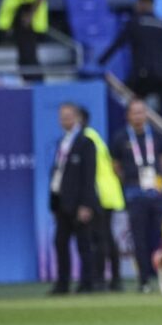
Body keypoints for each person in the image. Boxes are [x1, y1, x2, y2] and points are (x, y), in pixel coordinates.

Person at [111, 98, 162, 293]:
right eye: (134, 112)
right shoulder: (121, 137)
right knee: (139, 238)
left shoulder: (155, 135)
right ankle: (144, 280)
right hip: (134, 191)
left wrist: (158, 179)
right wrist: (130, 181)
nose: (138, 116)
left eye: (141, 111)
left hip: (156, 190)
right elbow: (116, 165)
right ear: (128, 115)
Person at [98, 0, 162, 125]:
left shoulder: (134, 23)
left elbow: (118, 43)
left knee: (131, 100)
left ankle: (132, 131)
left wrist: (100, 62)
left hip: (143, 75)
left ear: (140, 4)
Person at [49, 103, 99, 295]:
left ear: (78, 118)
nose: (65, 120)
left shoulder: (86, 142)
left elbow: (89, 176)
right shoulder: (62, 141)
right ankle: (62, 283)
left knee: (84, 244)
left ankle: (87, 283)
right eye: (62, 116)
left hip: (79, 203)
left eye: (69, 116)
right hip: (61, 201)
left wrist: (86, 204)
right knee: (60, 243)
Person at [78, 106, 125, 292]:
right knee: (106, 237)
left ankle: (104, 279)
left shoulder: (87, 138)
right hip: (107, 191)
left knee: (102, 238)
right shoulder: (93, 136)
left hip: (102, 193)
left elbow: (90, 171)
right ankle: (113, 279)